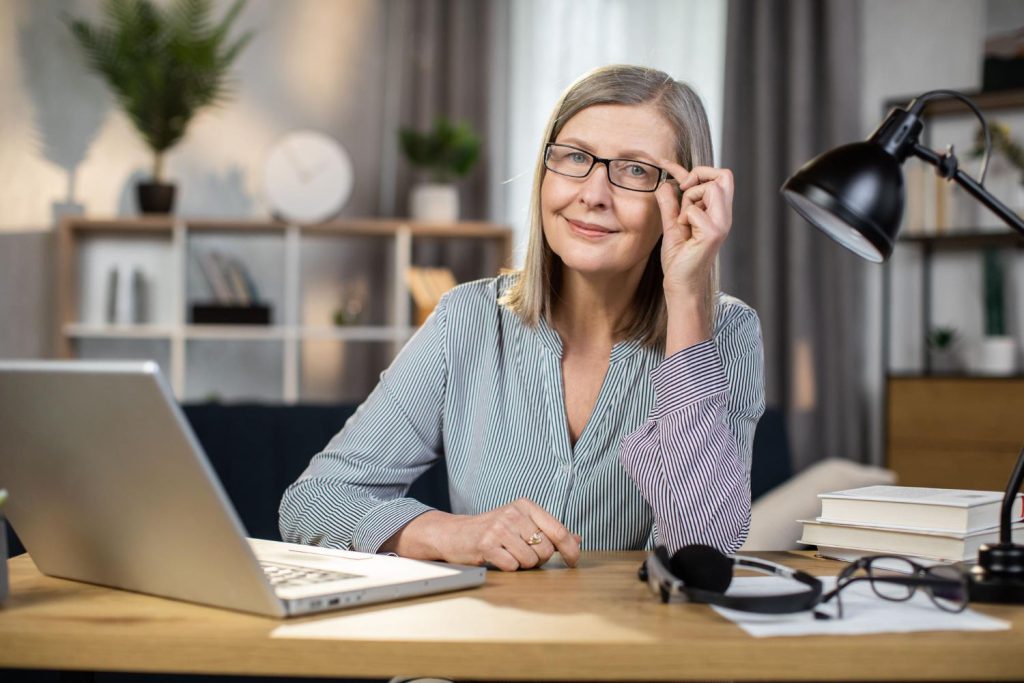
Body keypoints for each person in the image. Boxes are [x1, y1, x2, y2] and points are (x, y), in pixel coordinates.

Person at [280, 64, 765, 572]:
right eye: (575, 157)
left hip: (638, 645)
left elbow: (702, 550)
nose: (593, 194)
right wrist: (449, 533)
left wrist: (687, 297)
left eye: (635, 170)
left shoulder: (724, 332)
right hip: (490, 643)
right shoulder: (466, 320)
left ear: (687, 198)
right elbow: (312, 503)